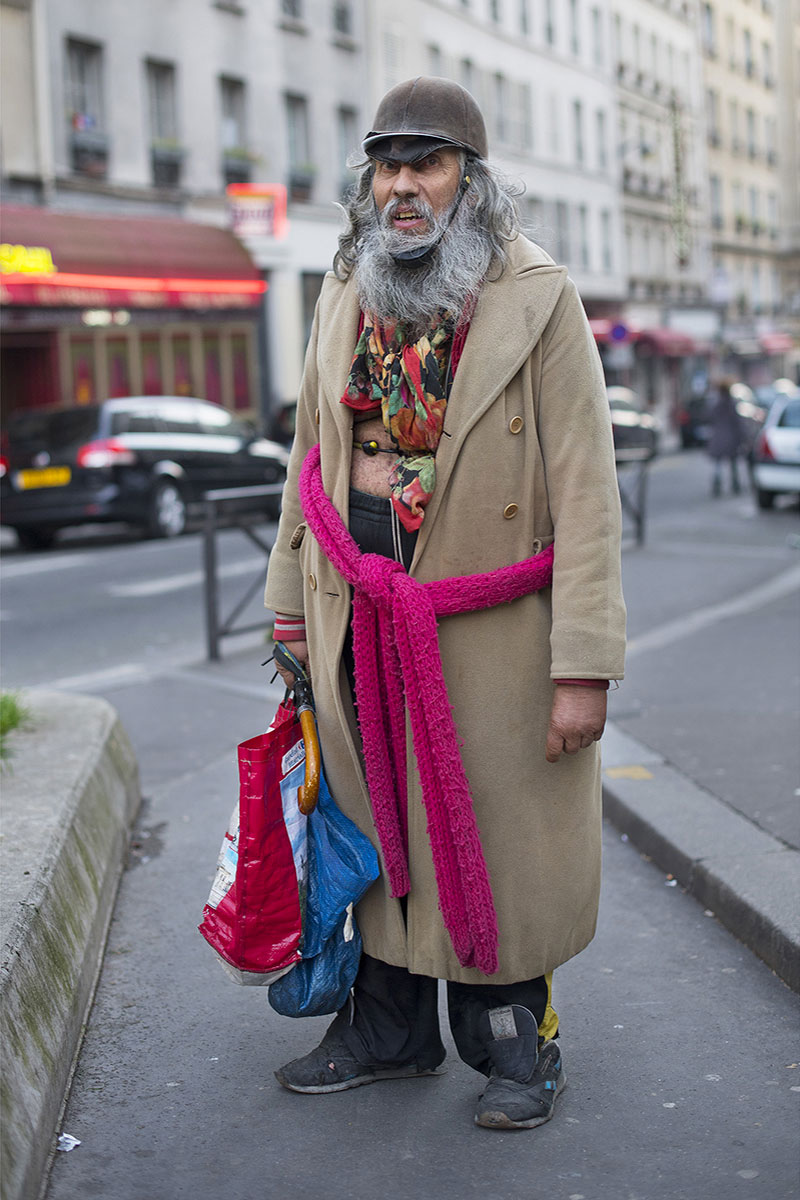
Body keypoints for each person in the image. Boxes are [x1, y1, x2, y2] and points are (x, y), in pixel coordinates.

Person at [265, 76, 626, 1130]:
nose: (404, 187)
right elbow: (309, 457)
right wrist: (288, 610)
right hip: (356, 616)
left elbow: (587, 489)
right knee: (374, 824)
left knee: (495, 837)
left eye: (426, 164)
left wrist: (583, 665)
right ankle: (390, 1029)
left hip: (493, 634)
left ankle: (513, 1038)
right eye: (388, 166)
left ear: (470, 179)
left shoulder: (538, 294)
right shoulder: (345, 283)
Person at [707, 380, 745, 496]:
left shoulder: (715, 403)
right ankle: (735, 484)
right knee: (733, 463)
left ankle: (717, 483)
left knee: (718, 463)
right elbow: (737, 421)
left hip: (718, 437)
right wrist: (743, 436)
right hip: (730, 436)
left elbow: (709, 417)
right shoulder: (731, 403)